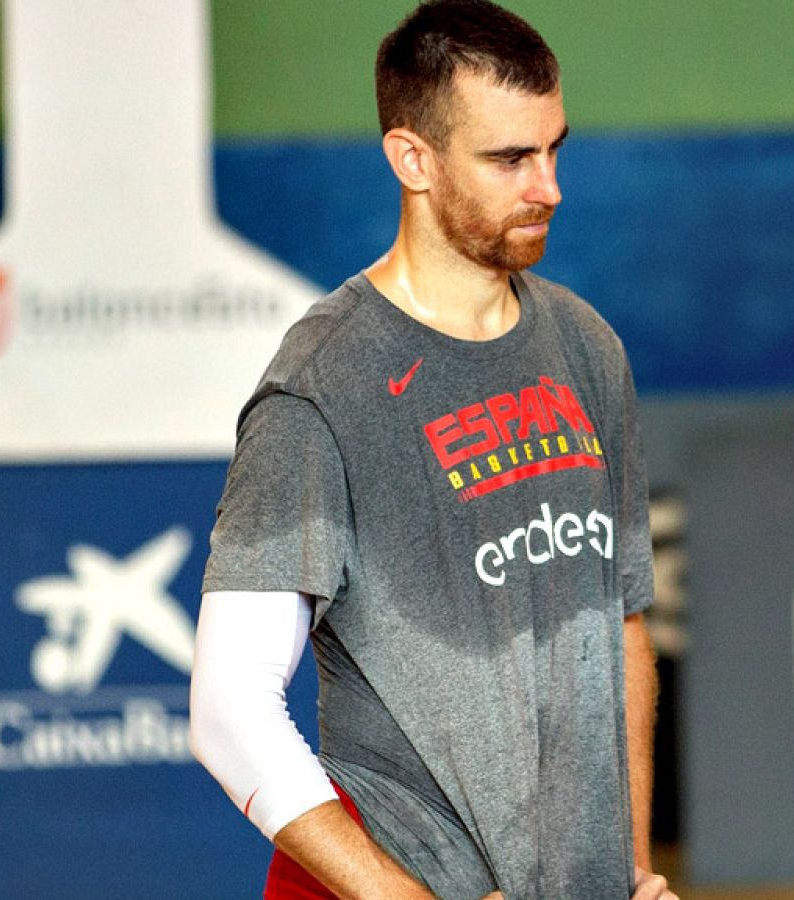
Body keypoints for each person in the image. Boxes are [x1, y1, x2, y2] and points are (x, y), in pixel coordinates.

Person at [188, 2, 674, 897]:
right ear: (412, 159)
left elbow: (621, 625)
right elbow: (228, 709)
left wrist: (631, 868)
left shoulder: (585, 346)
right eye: (510, 159)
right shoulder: (323, 385)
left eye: (554, 149)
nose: (549, 187)